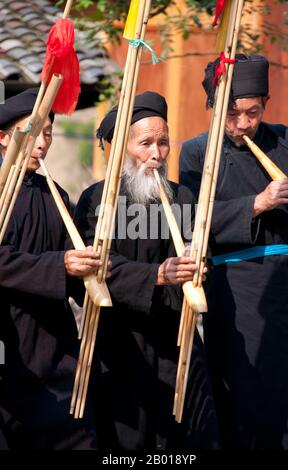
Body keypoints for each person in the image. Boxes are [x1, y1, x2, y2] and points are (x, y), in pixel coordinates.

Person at [74, 91, 220, 451]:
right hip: (117, 345)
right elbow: (97, 269)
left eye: (164, 142)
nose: (157, 154)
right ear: (123, 146)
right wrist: (158, 275)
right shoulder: (97, 200)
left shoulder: (181, 197)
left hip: (174, 342)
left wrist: (197, 265)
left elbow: (199, 259)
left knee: (185, 439)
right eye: (146, 143)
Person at [179, 54, 288, 449]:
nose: (243, 124)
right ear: (212, 109)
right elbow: (191, 221)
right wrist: (258, 203)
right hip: (232, 291)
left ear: (265, 103)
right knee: (241, 395)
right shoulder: (197, 152)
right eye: (232, 113)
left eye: (252, 111)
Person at [0, 88, 103, 450]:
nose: (42, 143)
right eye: (32, 132)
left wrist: (86, 268)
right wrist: (58, 265)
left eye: (48, 133)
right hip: (9, 342)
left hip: (54, 347)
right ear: (3, 138)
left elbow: (70, 267)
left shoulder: (55, 194)